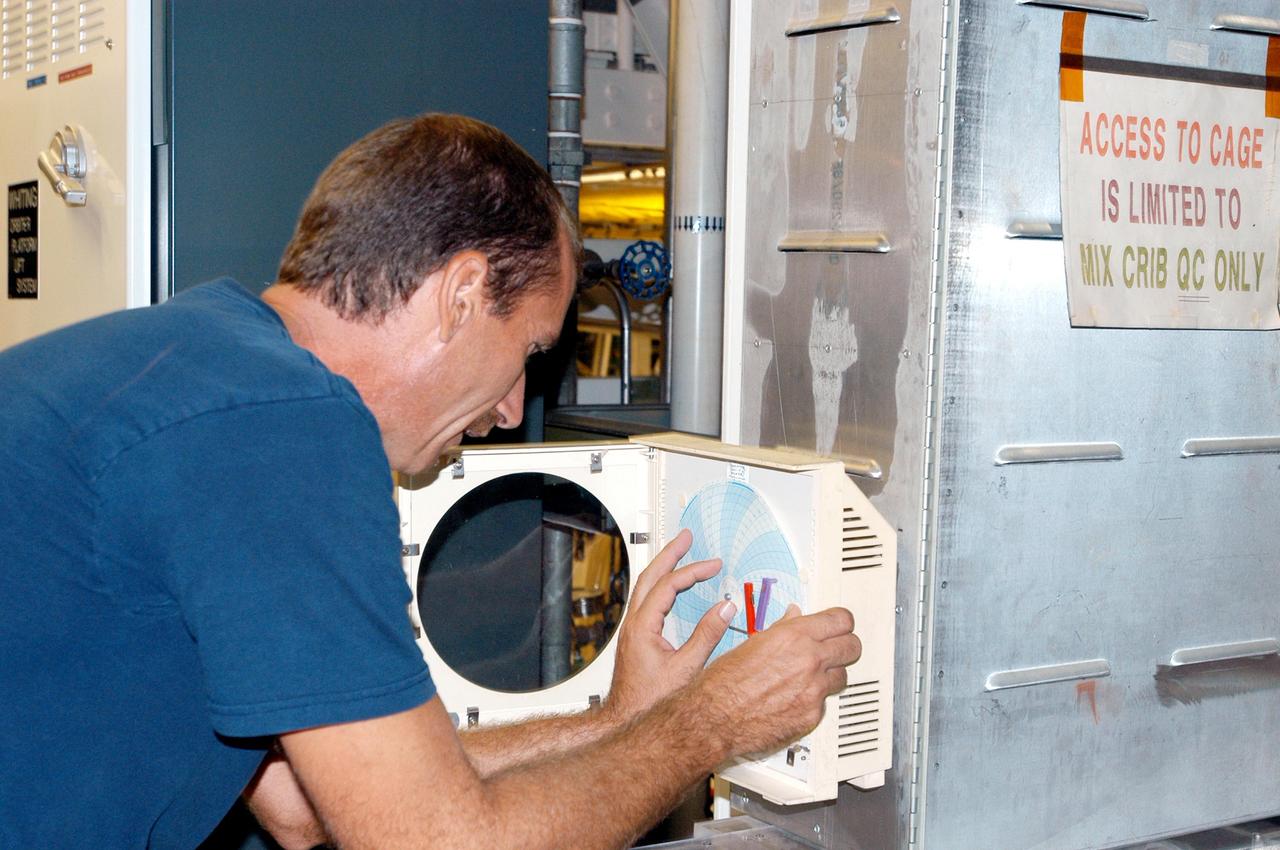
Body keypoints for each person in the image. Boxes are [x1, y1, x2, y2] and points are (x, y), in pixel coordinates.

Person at [0, 113, 861, 850]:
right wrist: (711, 724)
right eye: (528, 351)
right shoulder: (284, 431)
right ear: (461, 294)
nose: (512, 407)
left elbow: (301, 805)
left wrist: (623, 719)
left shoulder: (201, 362)